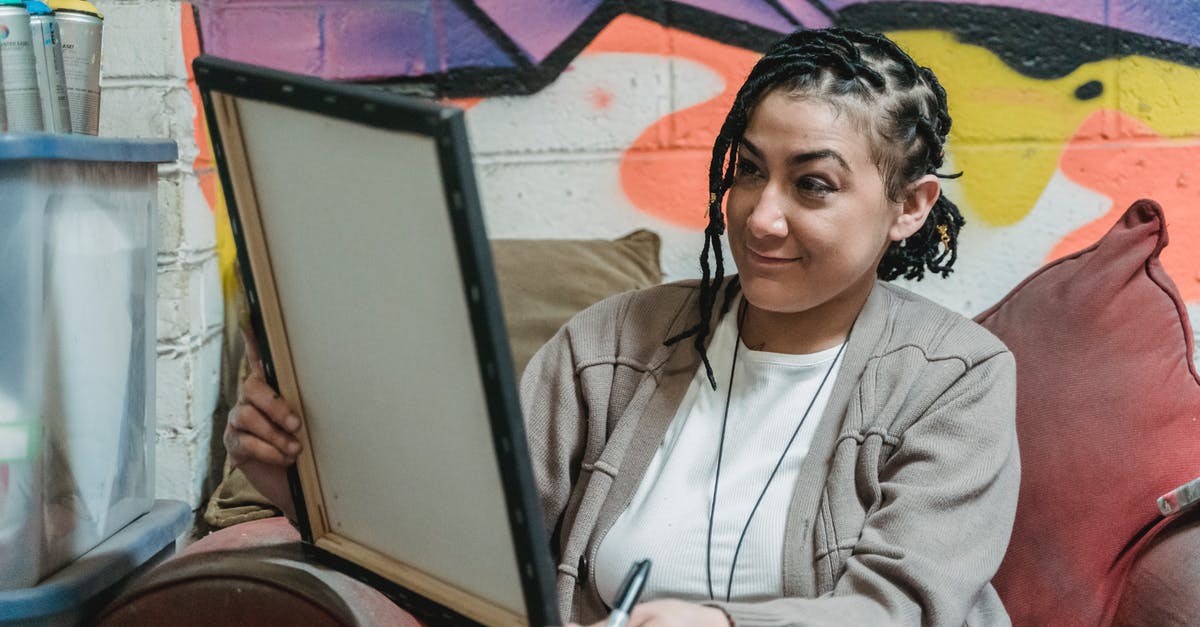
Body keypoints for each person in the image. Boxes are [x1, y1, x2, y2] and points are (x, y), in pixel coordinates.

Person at [225, 27, 1019, 627]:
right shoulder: (611, 340)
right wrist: (300, 482)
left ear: (908, 207)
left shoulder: (956, 376)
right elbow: (481, 546)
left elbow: (904, 606)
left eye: (812, 184)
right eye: (746, 171)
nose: (760, 215)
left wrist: (722, 624)